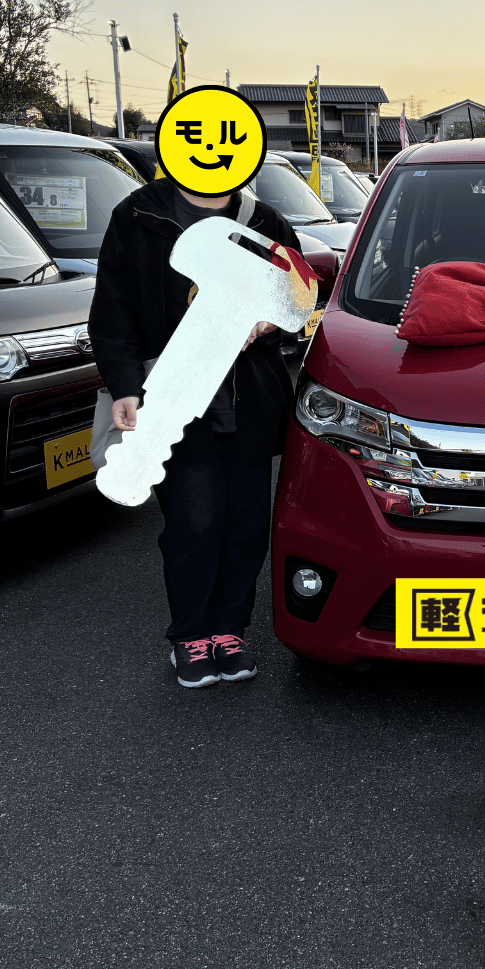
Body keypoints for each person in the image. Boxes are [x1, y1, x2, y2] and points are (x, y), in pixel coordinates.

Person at [89, 175, 301, 689]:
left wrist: (270, 322)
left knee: (247, 525)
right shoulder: (138, 215)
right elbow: (113, 309)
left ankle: (229, 630)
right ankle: (190, 635)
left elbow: (299, 292)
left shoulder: (264, 220)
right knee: (195, 523)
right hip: (172, 398)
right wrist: (124, 386)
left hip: (248, 402)